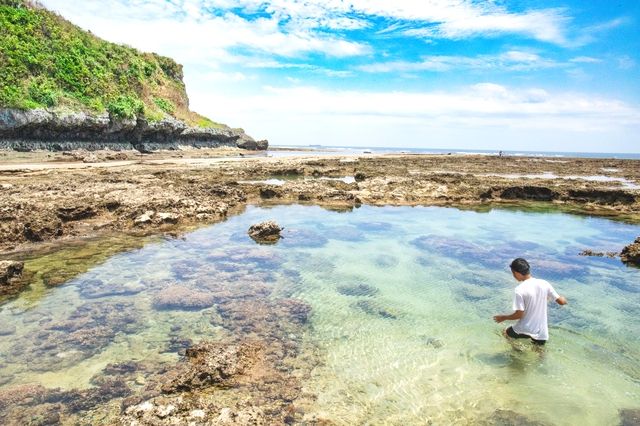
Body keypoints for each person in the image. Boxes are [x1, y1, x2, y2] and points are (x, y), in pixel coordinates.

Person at [493, 258, 567, 345]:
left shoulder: (519, 290)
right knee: (539, 352)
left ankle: (516, 352)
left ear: (516, 273)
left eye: (513, 273)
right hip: (541, 332)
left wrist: (503, 317)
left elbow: (519, 314)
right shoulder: (544, 283)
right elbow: (562, 302)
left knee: (505, 333)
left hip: (525, 328)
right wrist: (563, 298)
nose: (514, 276)